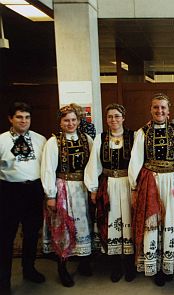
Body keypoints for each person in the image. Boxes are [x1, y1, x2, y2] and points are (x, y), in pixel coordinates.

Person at [128, 93, 174, 287]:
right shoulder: (142, 132)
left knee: (171, 221)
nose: (159, 111)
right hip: (151, 183)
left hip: (172, 182)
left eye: (163, 108)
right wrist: (135, 187)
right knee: (153, 223)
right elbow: (136, 160)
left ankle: (170, 264)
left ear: (169, 111)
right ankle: (156, 265)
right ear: (150, 110)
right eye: (155, 107)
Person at [41, 105, 94, 288]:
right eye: (66, 120)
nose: (70, 123)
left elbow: (93, 164)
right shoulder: (53, 142)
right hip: (63, 189)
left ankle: (84, 261)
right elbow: (48, 169)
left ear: (79, 121)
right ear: (61, 122)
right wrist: (50, 195)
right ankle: (62, 267)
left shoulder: (86, 139)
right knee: (63, 227)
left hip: (82, 188)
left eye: (73, 120)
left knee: (84, 224)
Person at [84, 103, 136, 283]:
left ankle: (130, 264)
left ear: (123, 118)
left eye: (117, 116)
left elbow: (138, 163)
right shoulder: (100, 138)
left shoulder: (134, 136)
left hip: (128, 185)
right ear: (106, 120)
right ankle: (116, 265)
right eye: (110, 117)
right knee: (111, 223)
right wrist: (93, 189)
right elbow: (94, 164)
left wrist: (136, 187)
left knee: (129, 223)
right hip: (108, 185)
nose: (113, 120)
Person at [0, 102, 47, 294]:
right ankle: (4, 281)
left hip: (34, 191)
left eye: (27, 117)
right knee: (5, 238)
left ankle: (29, 270)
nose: (24, 121)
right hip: (9, 191)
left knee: (31, 234)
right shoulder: (1, 140)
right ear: (10, 119)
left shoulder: (40, 140)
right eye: (19, 117)